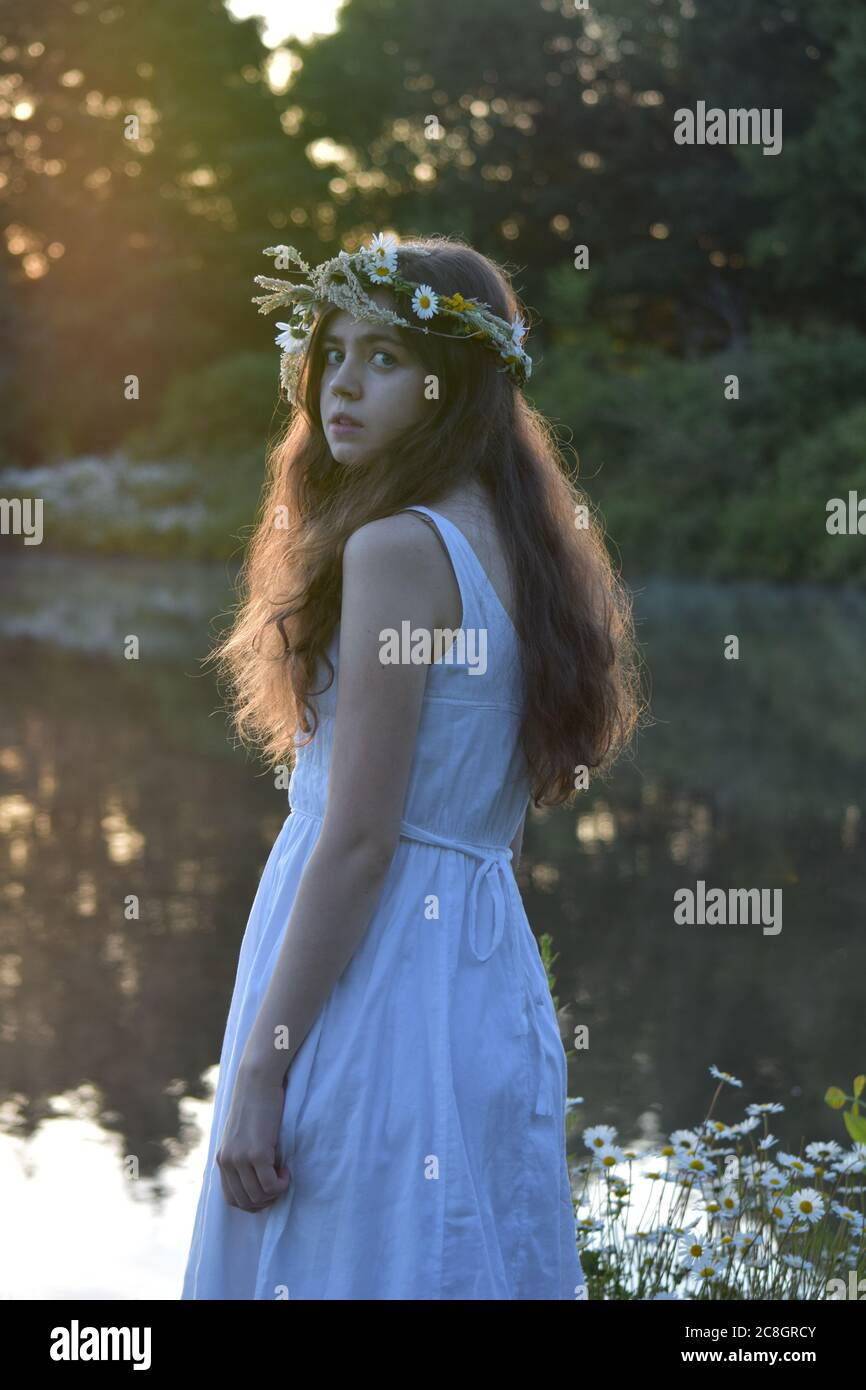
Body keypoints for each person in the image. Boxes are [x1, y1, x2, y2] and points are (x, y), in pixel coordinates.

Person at [181, 231, 645, 1299]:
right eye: (332, 349)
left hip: (372, 982)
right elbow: (486, 812)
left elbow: (357, 840)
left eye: (384, 357)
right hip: (479, 974)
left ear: (453, 383)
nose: (340, 381)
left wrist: (262, 1063)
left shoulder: (396, 549)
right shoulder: (520, 547)